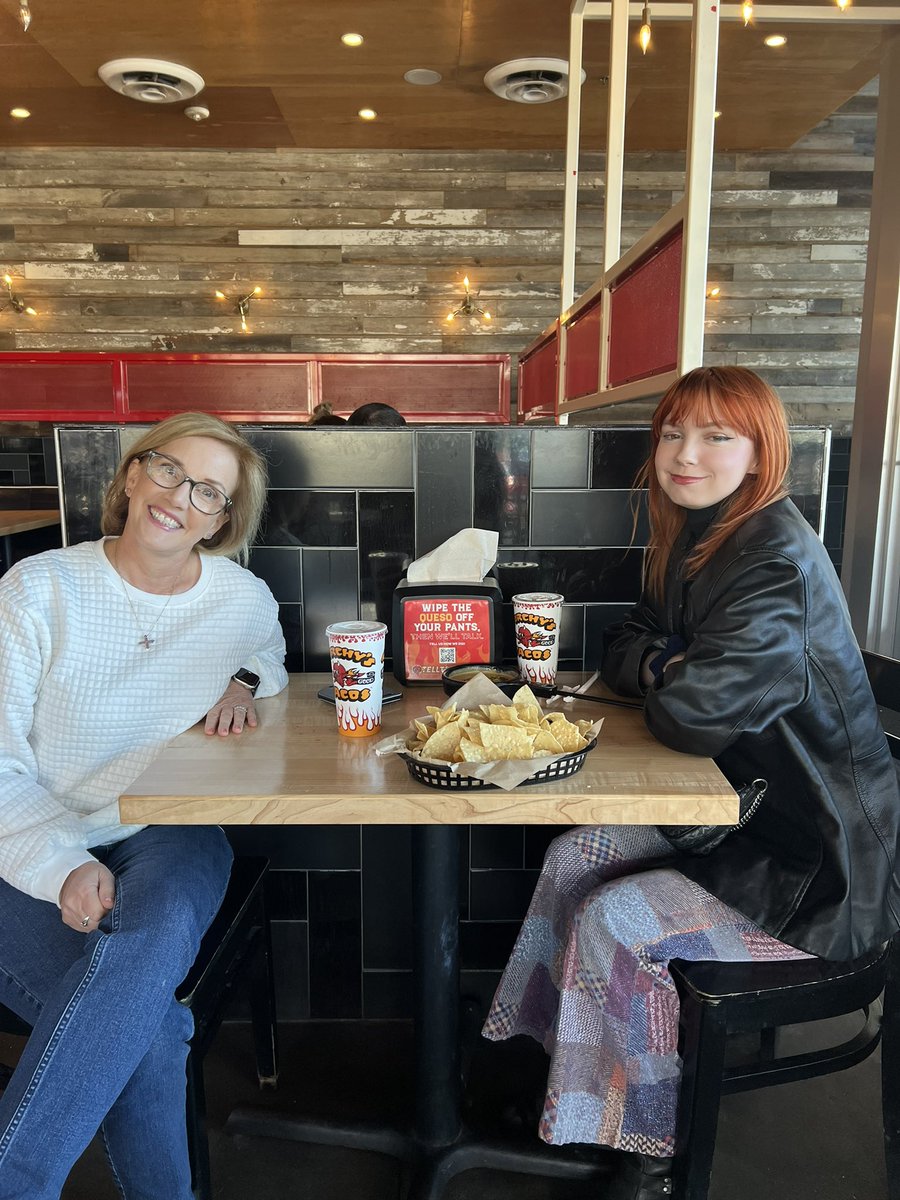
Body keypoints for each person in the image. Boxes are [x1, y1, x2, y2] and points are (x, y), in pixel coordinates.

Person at [483, 366, 900, 1200]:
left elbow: (689, 719)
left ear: (760, 451)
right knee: (576, 855)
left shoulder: (773, 558)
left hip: (820, 867)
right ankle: (555, 1079)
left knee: (616, 918)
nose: (685, 453)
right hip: (745, 817)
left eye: (716, 436)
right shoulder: (703, 535)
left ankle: (645, 1150)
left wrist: (670, 670)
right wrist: (670, 662)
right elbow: (630, 643)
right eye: (673, 432)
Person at [0, 411, 288, 1199]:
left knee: (156, 933)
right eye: (167, 470)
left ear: (224, 522)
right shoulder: (38, 589)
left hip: (168, 829)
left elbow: (267, 648)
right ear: (131, 474)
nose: (178, 499)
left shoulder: (241, 598)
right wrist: (59, 864)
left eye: (208, 493)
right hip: (23, 842)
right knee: (153, 1032)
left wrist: (245, 681)